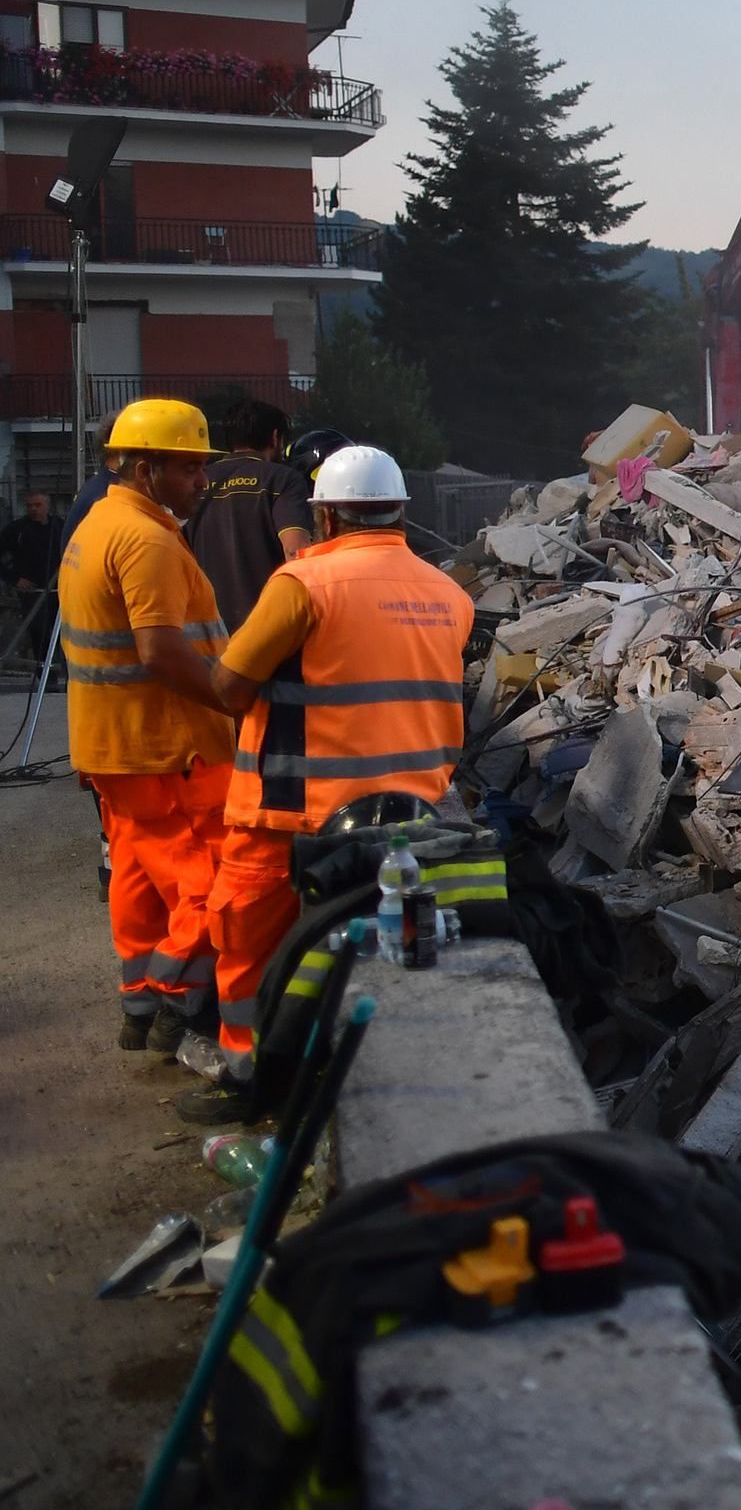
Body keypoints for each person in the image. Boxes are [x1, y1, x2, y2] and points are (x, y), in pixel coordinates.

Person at [174, 444, 469, 1123]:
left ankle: (251, 1079)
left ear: (328, 516)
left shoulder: (303, 584)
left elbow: (228, 685)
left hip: (292, 811)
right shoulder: (448, 593)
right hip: (407, 816)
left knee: (245, 941)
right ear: (399, 512)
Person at [57, 399, 234, 1066]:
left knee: (137, 877)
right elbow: (160, 650)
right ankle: (170, 1000)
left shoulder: (98, 523)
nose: (201, 481)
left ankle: (137, 1001)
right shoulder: (147, 539)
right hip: (168, 749)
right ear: (142, 466)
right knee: (212, 878)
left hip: (116, 748)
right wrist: (232, 696)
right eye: (188, 467)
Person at [188, 401, 316, 630]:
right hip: (268, 630)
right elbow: (295, 552)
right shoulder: (283, 479)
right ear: (275, 438)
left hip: (209, 630)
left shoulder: (198, 482)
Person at [3, 490, 62, 654]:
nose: (34, 509)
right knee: (39, 632)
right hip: (32, 591)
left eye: (38, 505)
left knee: (60, 633)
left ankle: (58, 672)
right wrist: (14, 579)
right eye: (30, 506)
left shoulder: (58, 526)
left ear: (47, 506)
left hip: (58, 589)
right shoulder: (16, 530)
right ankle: (42, 671)